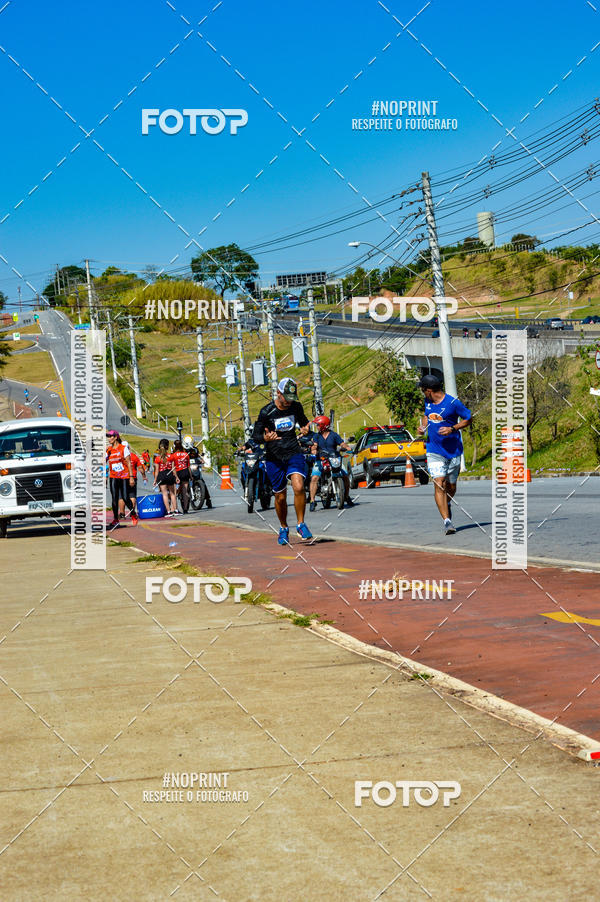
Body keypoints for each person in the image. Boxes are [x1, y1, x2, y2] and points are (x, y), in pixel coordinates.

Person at [252, 377, 312, 545]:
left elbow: (305, 423)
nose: (289, 402)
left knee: (299, 486)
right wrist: (265, 438)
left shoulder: (296, 407)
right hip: (274, 457)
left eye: (292, 398)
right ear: (278, 394)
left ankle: (301, 524)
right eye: (286, 398)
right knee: (280, 497)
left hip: (293, 451)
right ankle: (284, 527)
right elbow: (255, 437)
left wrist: (306, 429)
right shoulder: (266, 412)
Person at [417, 374, 472, 536]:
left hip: (453, 450)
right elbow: (427, 416)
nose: (422, 393)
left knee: (451, 487)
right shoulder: (428, 402)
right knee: (439, 483)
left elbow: (468, 419)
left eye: (422, 390)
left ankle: (446, 502)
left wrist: (452, 428)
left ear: (429, 390)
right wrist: (423, 428)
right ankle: (447, 522)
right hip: (434, 450)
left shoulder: (453, 403)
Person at [309, 415, 354, 511]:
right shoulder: (316, 436)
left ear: (323, 425)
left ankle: (346, 496)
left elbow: (342, 443)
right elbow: (314, 445)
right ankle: (312, 501)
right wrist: (313, 450)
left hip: (334, 458)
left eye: (318, 425)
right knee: (314, 478)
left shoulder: (334, 435)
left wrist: (347, 447)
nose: (316, 426)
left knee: (345, 476)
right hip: (320, 459)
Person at [106, 430, 136, 528]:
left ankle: (133, 514)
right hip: (113, 477)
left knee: (125, 497)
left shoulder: (123, 448)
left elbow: (128, 463)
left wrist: (131, 477)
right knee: (114, 499)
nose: (109, 438)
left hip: (124, 476)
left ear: (116, 437)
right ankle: (115, 519)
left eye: (111, 436)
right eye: (108, 436)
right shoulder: (109, 450)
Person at [183, 435, 213, 509]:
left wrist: (201, 460)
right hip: (185, 468)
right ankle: (182, 498)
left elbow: (198, 457)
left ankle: (208, 499)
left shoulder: (195, 449)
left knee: (203, 482)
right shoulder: (182, 450)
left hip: (194, 467)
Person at [153, 438, 178, 517]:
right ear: (167, 447)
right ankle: (176, 510)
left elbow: (156, 470)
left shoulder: (157, 458)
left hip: (161, 475)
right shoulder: (171, 456)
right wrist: (176, 477)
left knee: (164, 494)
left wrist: (155, 480)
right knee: (172, 493)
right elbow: (173, 469)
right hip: (169, 474)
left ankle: (168, 511)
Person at [123, 442, 147, 517]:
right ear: (129, 448)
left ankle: (122, 513)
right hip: (132, 477)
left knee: (122, 496)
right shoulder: (134, 456)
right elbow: (140, 468)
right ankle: (132, 512)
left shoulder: (120, 456)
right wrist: (144, 476)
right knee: (132, 495)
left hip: (122, 477)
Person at [170, 439, 191, 514]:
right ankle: (185, 509)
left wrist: (176, 476)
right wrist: (191, 476)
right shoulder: (186, 454)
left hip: (178, 472)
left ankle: (174, 509)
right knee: (185, 492)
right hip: (185, 472)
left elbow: (173, 467)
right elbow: (188, 466)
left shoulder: (173, 455)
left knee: (175, 492)